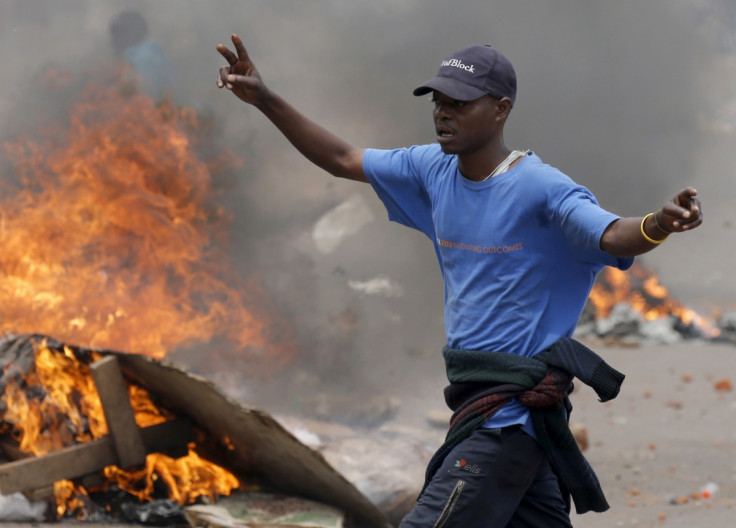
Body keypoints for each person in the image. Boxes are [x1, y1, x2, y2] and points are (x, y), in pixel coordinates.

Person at [216, 35, 702, 527]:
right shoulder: (431, 169)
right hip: (484, 413)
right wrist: (265, 99)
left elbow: (612, 235)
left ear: (501, 109)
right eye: (439, 102)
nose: (443, 114)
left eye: (460, 104)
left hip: (506, 420)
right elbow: (343, 158)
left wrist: (658, 224)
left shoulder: (540, 187)